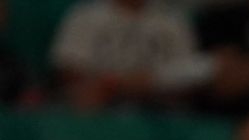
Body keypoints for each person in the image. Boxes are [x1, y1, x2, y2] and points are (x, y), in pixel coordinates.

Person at [49, 0, 215, 108]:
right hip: (103, 107)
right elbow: (69, 71)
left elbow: (188, 76)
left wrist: (127, 85)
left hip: (160, 109)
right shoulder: (85, 16)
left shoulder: (172, 21)